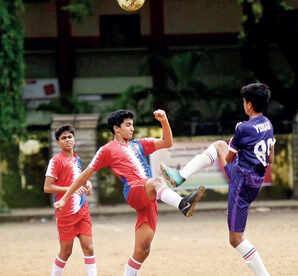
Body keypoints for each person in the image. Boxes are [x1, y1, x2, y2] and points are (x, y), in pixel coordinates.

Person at [53, 109, 204, 276]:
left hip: (149, 196)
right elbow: (84, 175)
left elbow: (167, 142)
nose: (132, 128)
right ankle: (183, 204)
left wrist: (164, 121)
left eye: (132, 125)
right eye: (128, 125)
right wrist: (65, 198)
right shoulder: (106, 150)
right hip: (134, 191)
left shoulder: (139, 144)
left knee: (143, 250)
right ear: (116, 128)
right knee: (157, 181)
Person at [161, 83, 274, 276]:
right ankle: (180, 176)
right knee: (219, 145)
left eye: (244, 101)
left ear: (249, 105)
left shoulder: (244, 128)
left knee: (235, 239)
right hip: (255, 179)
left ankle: (180, 176)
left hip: (241, 181)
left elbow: (228, 159)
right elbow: (270, 158)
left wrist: (235, 139)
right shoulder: (268, 124)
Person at [44, 125, 97, 276]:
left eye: (70, 137)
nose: (67, 140)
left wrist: (88, 184)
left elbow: (80, 180)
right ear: (58, 142)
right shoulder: (55, 161)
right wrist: (70, 189)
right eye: (63, 138)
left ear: (74, 139)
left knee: (89, 248)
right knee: (66, 251)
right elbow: (47, 187)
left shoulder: (77, 159)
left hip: (82, 210)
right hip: (65, 212)